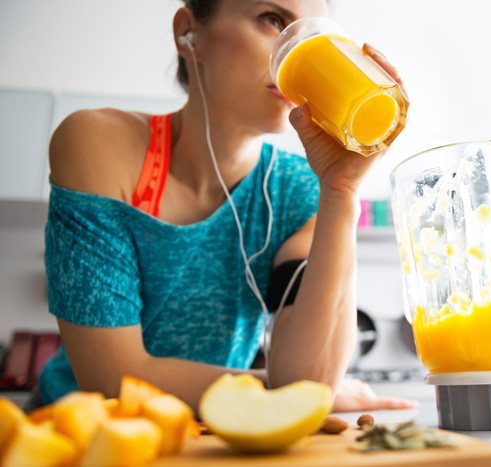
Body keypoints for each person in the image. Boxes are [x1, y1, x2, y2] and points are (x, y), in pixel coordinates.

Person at [32, 0, 415, 414]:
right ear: (187, 33)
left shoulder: (300, 190)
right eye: (273, 19)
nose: (297, 49)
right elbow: (111, 378)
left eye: (314, 34)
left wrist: (342, 191)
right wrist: (280, 392)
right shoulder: (99, 144)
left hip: (207, 440)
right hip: (77, 436)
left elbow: (308, 383)